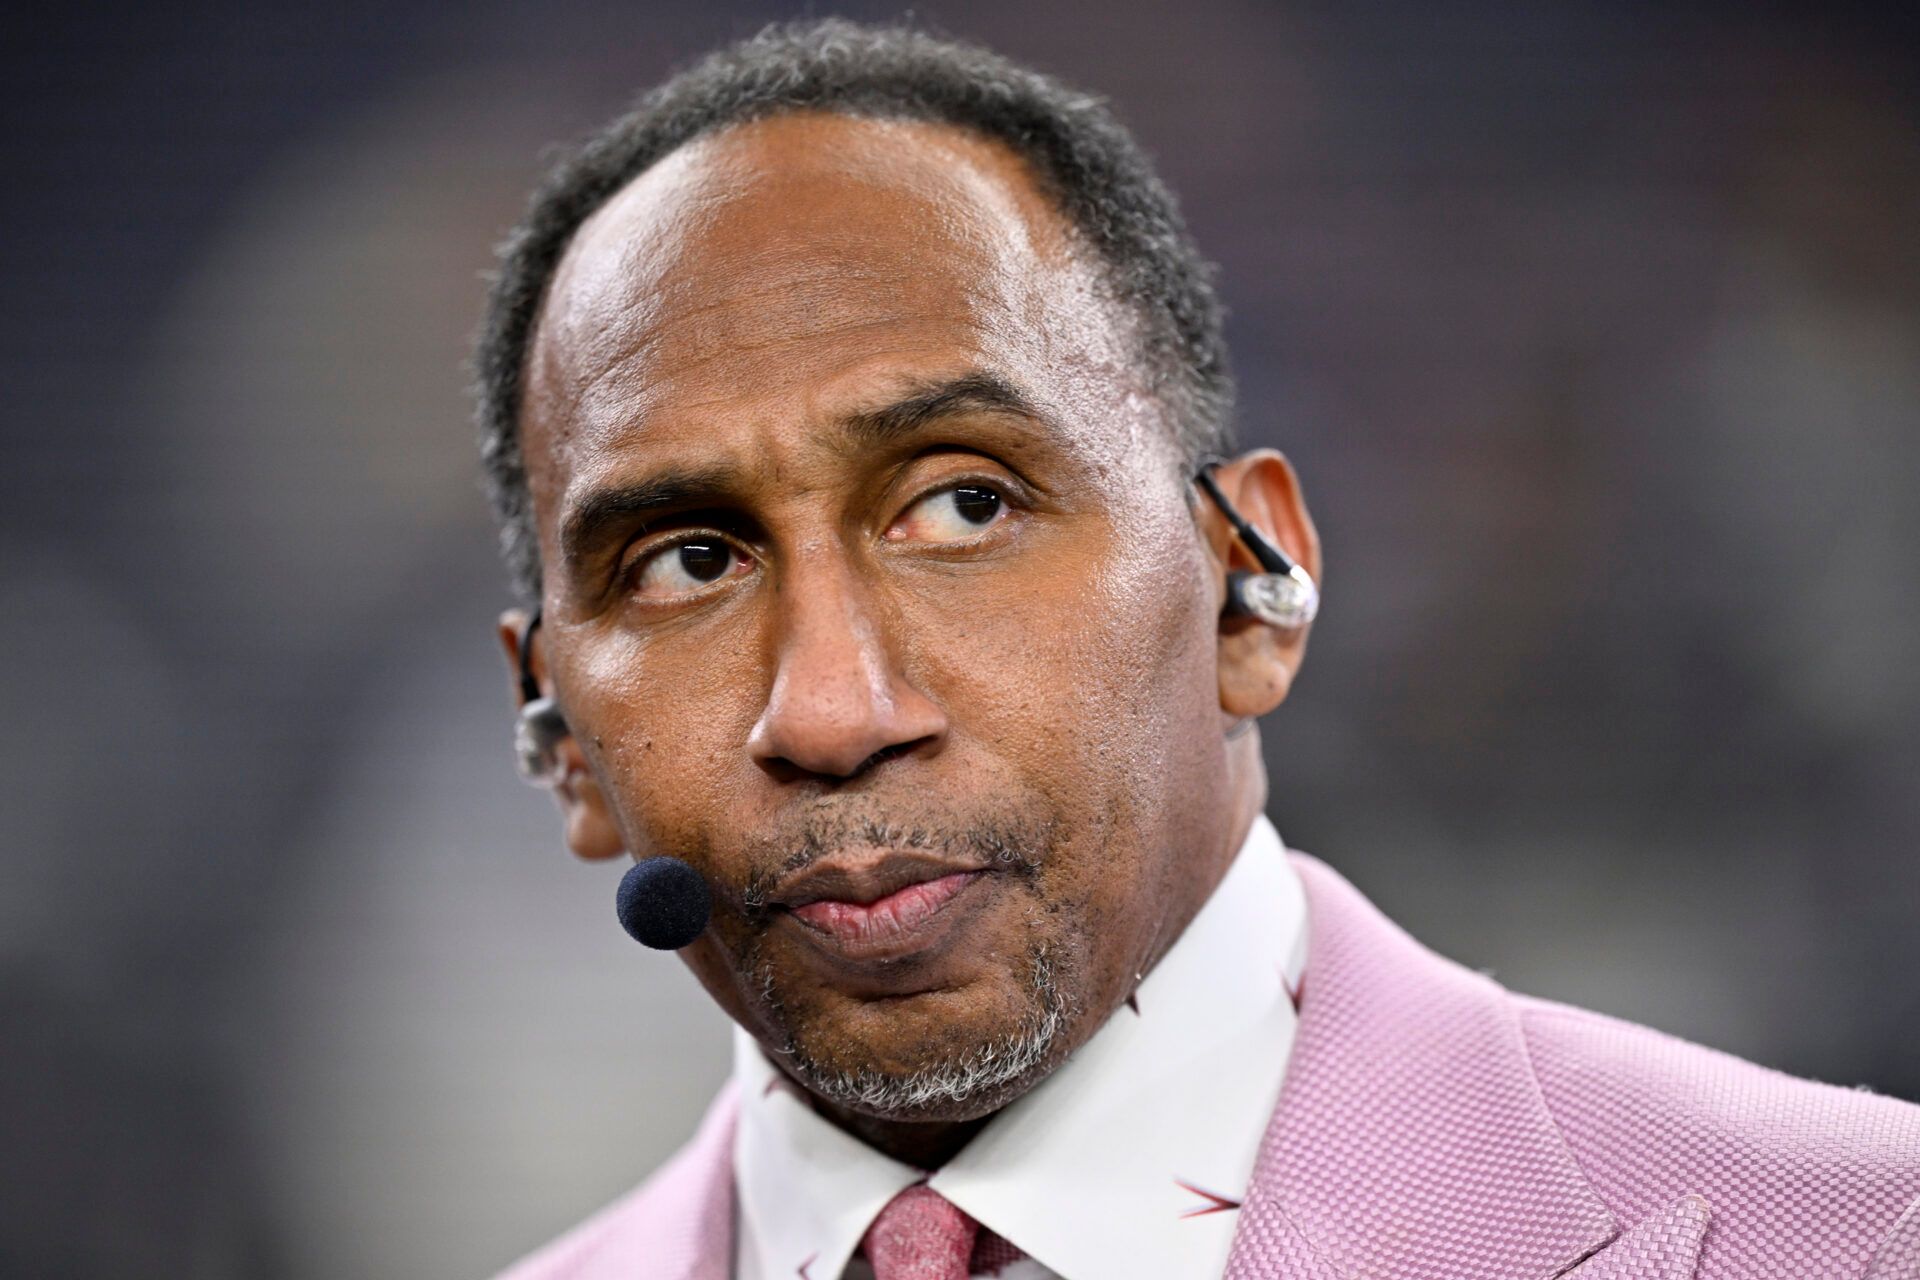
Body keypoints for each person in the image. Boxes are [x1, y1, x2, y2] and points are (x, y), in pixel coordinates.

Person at [474, 20, 1920, 1280]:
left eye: (967, 505)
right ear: (560, 744)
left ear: (1250, 588)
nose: (836, 712)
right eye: (688, 562)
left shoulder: (1857, 1238)